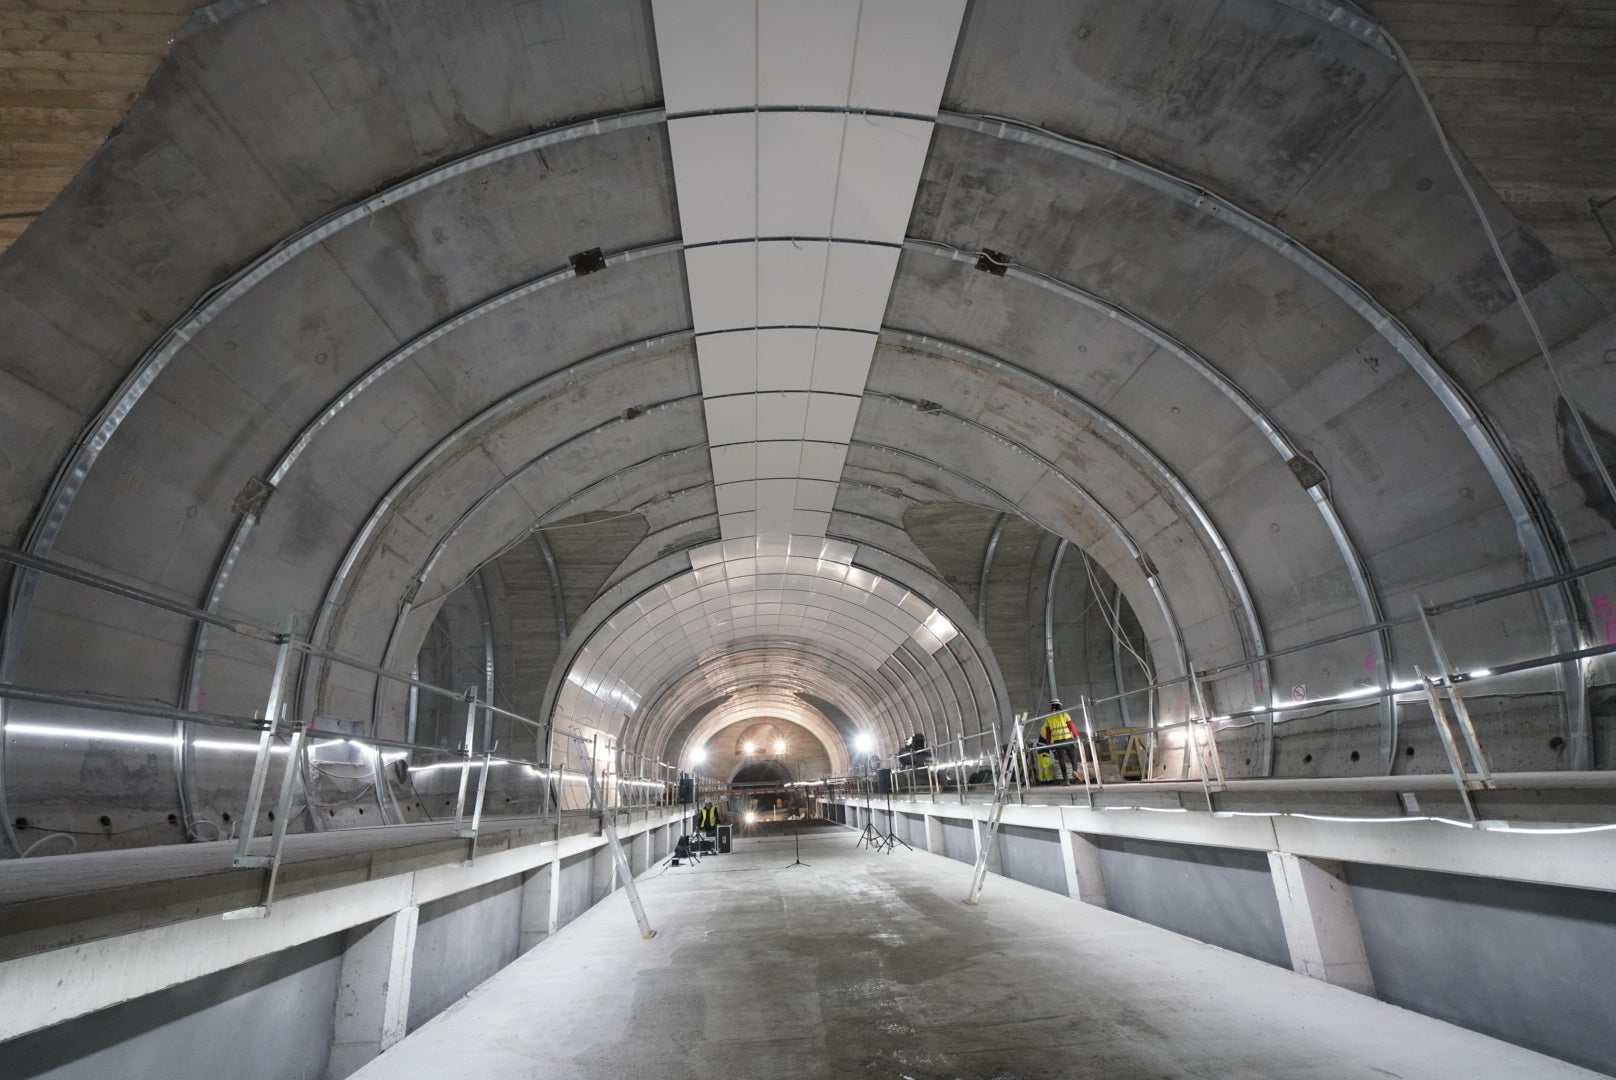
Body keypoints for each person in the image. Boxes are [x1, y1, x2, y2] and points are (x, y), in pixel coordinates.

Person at [1041, 699, 1080, 784]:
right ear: (1059, 705)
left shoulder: (1049, 717)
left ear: (1051, 706)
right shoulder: (1064, 714)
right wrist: (1076, 736)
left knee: (1061, 760)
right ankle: (1075, 771)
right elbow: (1071, 726)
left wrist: (1048, 743)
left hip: (1057, 742)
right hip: (1067, 739)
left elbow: (1048, 732)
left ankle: (1066, 780)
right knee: (1073, 756)